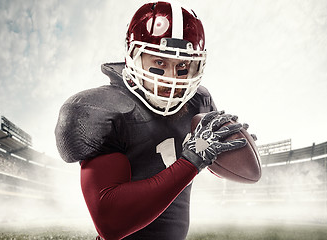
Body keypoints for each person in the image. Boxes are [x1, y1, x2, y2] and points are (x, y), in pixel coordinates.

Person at [55, 1, 250, 239]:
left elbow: (206, 155)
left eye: (182, 66)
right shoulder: (107, 110)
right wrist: (190, 162)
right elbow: (110, 222)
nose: (171, 78)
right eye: (160, 62)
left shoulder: (198, 102)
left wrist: (227, 144)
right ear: (133, 57)